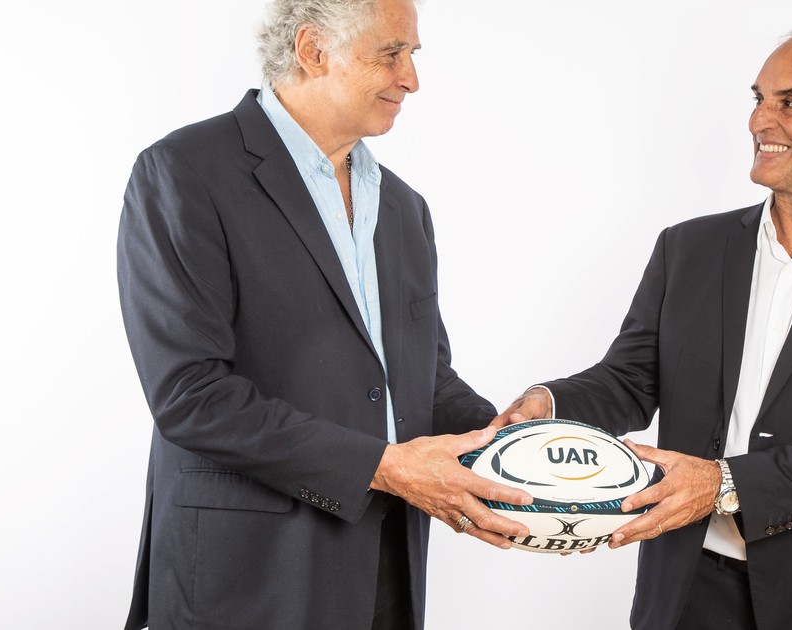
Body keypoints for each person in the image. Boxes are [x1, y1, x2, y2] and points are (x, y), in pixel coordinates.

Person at [498, 22, 792, 630]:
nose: (759, 120)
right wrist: (550, 402)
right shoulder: (688, 248)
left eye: (790, 103)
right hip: (686, 582)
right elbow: (632, 379)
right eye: (759, 98)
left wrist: (723, 484)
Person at [116, 0, 531, 628]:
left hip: (386, 564)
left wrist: (509, 444)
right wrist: (385, 467)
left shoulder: (404, 208)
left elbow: (419, 379)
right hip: (248, 575)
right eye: (390, 53)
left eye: (412, 55)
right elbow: (190, 394)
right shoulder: (184, 171)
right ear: (313, 50)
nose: (411, 79)